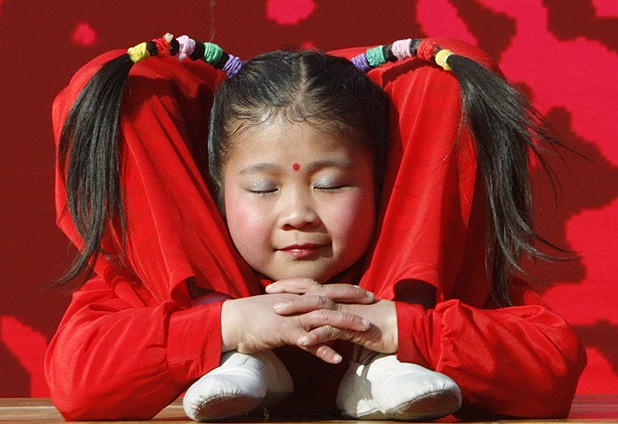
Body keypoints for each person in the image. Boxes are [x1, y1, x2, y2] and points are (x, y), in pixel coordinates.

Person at [46, 33, 586, 421]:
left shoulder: (451, 276)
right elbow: (78, 383)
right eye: (263, 189)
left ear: (386, 182)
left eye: (331, 185)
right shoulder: (152, 286)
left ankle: (384, 365)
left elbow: (550, 370)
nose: (298, 213)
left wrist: (399, 326)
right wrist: (225, 323)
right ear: (214, 191)